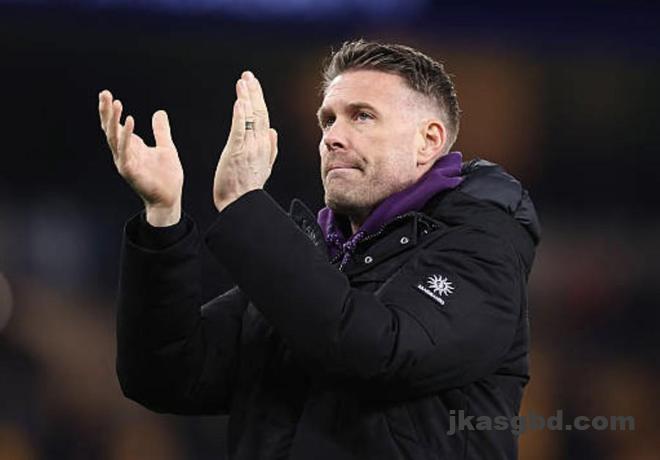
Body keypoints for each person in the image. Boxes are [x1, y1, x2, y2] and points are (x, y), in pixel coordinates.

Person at [98, 40, 540, 460]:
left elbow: (375, 352)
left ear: (428, 141)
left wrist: (246, 205)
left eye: (361, 116)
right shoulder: (317, 255)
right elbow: (166, 376)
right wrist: (163, 218)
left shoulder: (480, 248)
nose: (332, 137)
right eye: (328, 120)